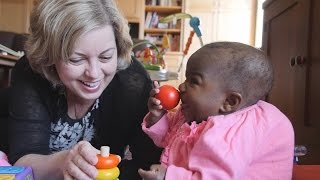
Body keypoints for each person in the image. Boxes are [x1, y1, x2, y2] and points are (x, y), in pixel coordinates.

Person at [8, 0, 161, 179]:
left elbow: (146, 163)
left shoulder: (132, 82)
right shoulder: (32, 72)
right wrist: (64, 162)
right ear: (49, 54)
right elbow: (22, 162)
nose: (94, 74)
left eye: (106, 56)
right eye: (76, 59)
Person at [138, 42, 295, 179]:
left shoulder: (229, 137)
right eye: (186, 78)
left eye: (194, 81)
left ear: (229, 101)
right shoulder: (199, 112)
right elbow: (172, 133)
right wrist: (157, 117)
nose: (181, 86)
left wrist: (168, 176)